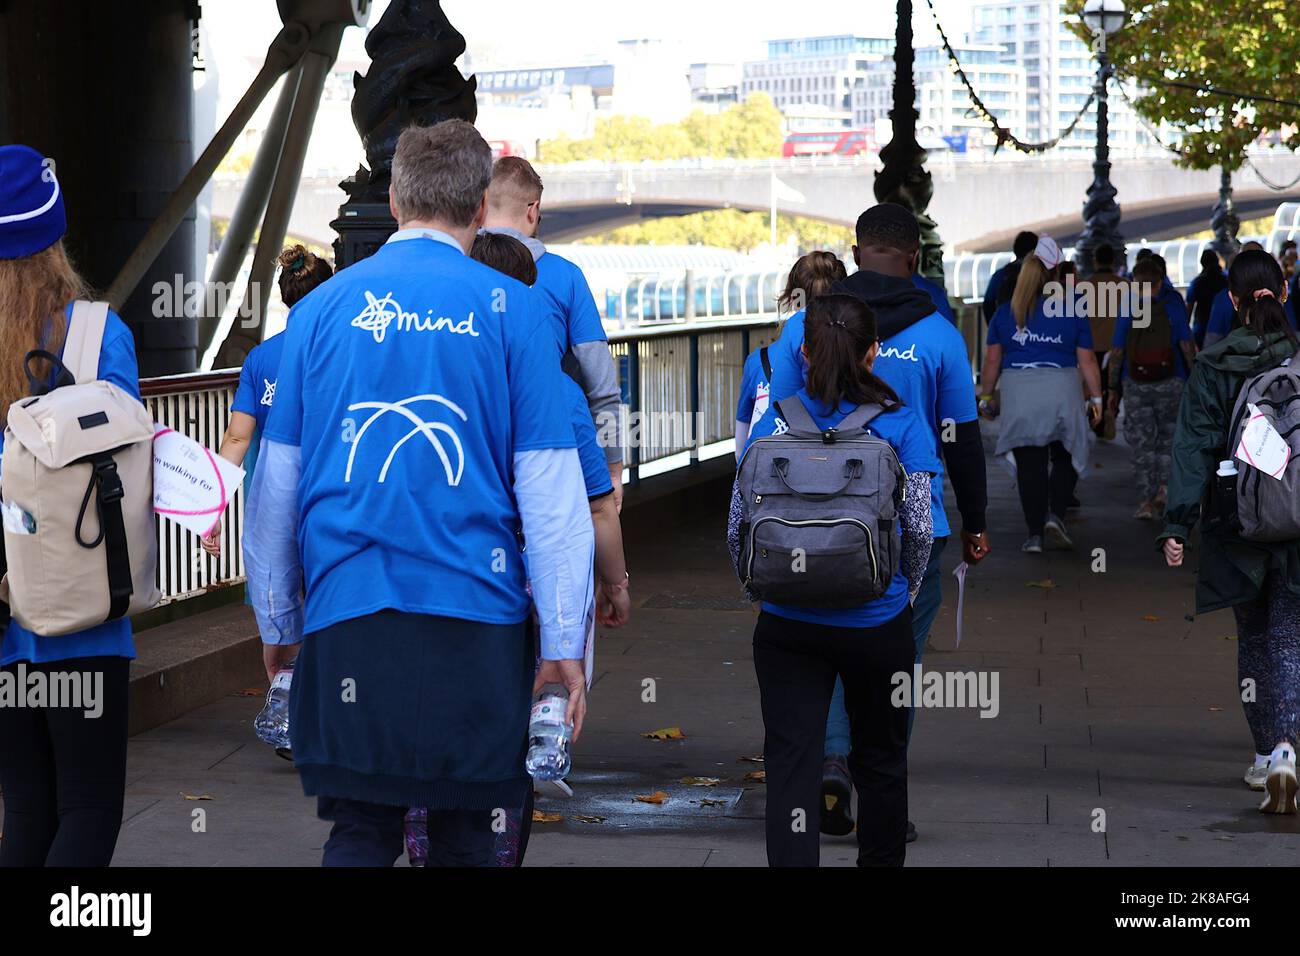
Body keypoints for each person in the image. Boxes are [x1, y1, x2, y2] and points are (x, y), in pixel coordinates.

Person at [244, 120, 597, 866]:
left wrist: (277, 618)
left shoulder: (317, 313)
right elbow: (552, 493)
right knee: (470, 831)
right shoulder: (518, 312)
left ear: (397, 199)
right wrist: (565, 646)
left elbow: (275, 486)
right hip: (477, 619)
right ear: (479, 208)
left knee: (360, 830)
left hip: (348, 614)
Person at [767, 203, 989, 841]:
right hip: (900, 528)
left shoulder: (800, 334)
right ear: (914, 258)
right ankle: (879, 790)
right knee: (896, 666)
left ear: (856, 252)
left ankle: (829, 760)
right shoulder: (941, 335)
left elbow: (776, 427)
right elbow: (964, 439)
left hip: (804, 529)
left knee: (814, 651)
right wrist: (973, 524)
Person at [730, 293, 939, 866]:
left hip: (788, 626)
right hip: (876, 624)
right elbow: (919, 529)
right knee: (882, 763)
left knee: (791, 766)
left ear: (804, 350)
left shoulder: (775, 420)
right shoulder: (900, 422)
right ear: (874, 352)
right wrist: (907, 590)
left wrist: (760, 591)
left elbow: (739, 523)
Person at [0, 145, 142, 866]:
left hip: (3, 623)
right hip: (83, 616)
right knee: (88, 809)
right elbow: (132, 461)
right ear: (56, 233)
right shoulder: (94, 335)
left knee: (24, 806)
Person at [1159, 249, 1300, 811]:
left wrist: (1176, 523)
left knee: (1254, 633)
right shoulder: (1298, 358)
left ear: (1232, 302)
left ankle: (1267, 752)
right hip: (1294, 516)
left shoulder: (1214, 365)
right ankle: (1290, 745)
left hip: (1234, 517)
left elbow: (1191, 448)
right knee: (1290, 633)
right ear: (1283, 294)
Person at [481, 157, 625, 509]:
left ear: (481, 203)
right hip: (551, 439)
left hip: (477, 439)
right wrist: (614, 468)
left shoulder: (459, 268)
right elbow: (601, 385)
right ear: (533, 210)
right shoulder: (566, 276)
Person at [980, 236, 1103, 553]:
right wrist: (1097, 399)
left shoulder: (1006, 313)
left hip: (1020, 390)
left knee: (1030, 462)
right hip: (1062, 386)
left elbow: (992, 360)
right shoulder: (1072, 310)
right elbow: (1087, 360)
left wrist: (986, 396)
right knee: (1066, 453)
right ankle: (1056, 514)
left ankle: (1034, 534)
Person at [1107, 257, 1197, 520]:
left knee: (1142, 444)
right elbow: (1186, 346)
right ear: (1161, 281)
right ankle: (1165, 491)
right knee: (1169, 440)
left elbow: (1117, 351)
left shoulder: (1128, 306)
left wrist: (1113, 388)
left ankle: (1146, 502)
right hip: (1172, 381)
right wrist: (1194, 378)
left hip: (1135, 383)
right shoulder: (1172, 304)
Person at [735, 251, 845, 458]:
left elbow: (777, 405)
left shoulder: (763, 358)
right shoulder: (855, 326)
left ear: (793, 297)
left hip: (789, 455)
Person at [1075, 244, 1125, 438]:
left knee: (1094, 384)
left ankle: (1095, 414)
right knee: (1112, 385)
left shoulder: (1083, 288)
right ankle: (1110, 411)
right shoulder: (1125, 286)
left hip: (1091, 347)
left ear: (1095, 261)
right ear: (1113, 261)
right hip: (1116, 348)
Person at [982, 230, 1038, 324]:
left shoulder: (1000, 275)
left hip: (1006, 326)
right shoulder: (1040, 275)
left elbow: (988, 304)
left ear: (1015, 250)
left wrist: (995, 326)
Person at [1186, 249, 1228, 350]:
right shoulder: (1226, 280)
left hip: (1202, 327)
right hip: (1224, 327)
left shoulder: (1196, 282)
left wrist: (1186, 331)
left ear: (1202, 263)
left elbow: (1189, 308)